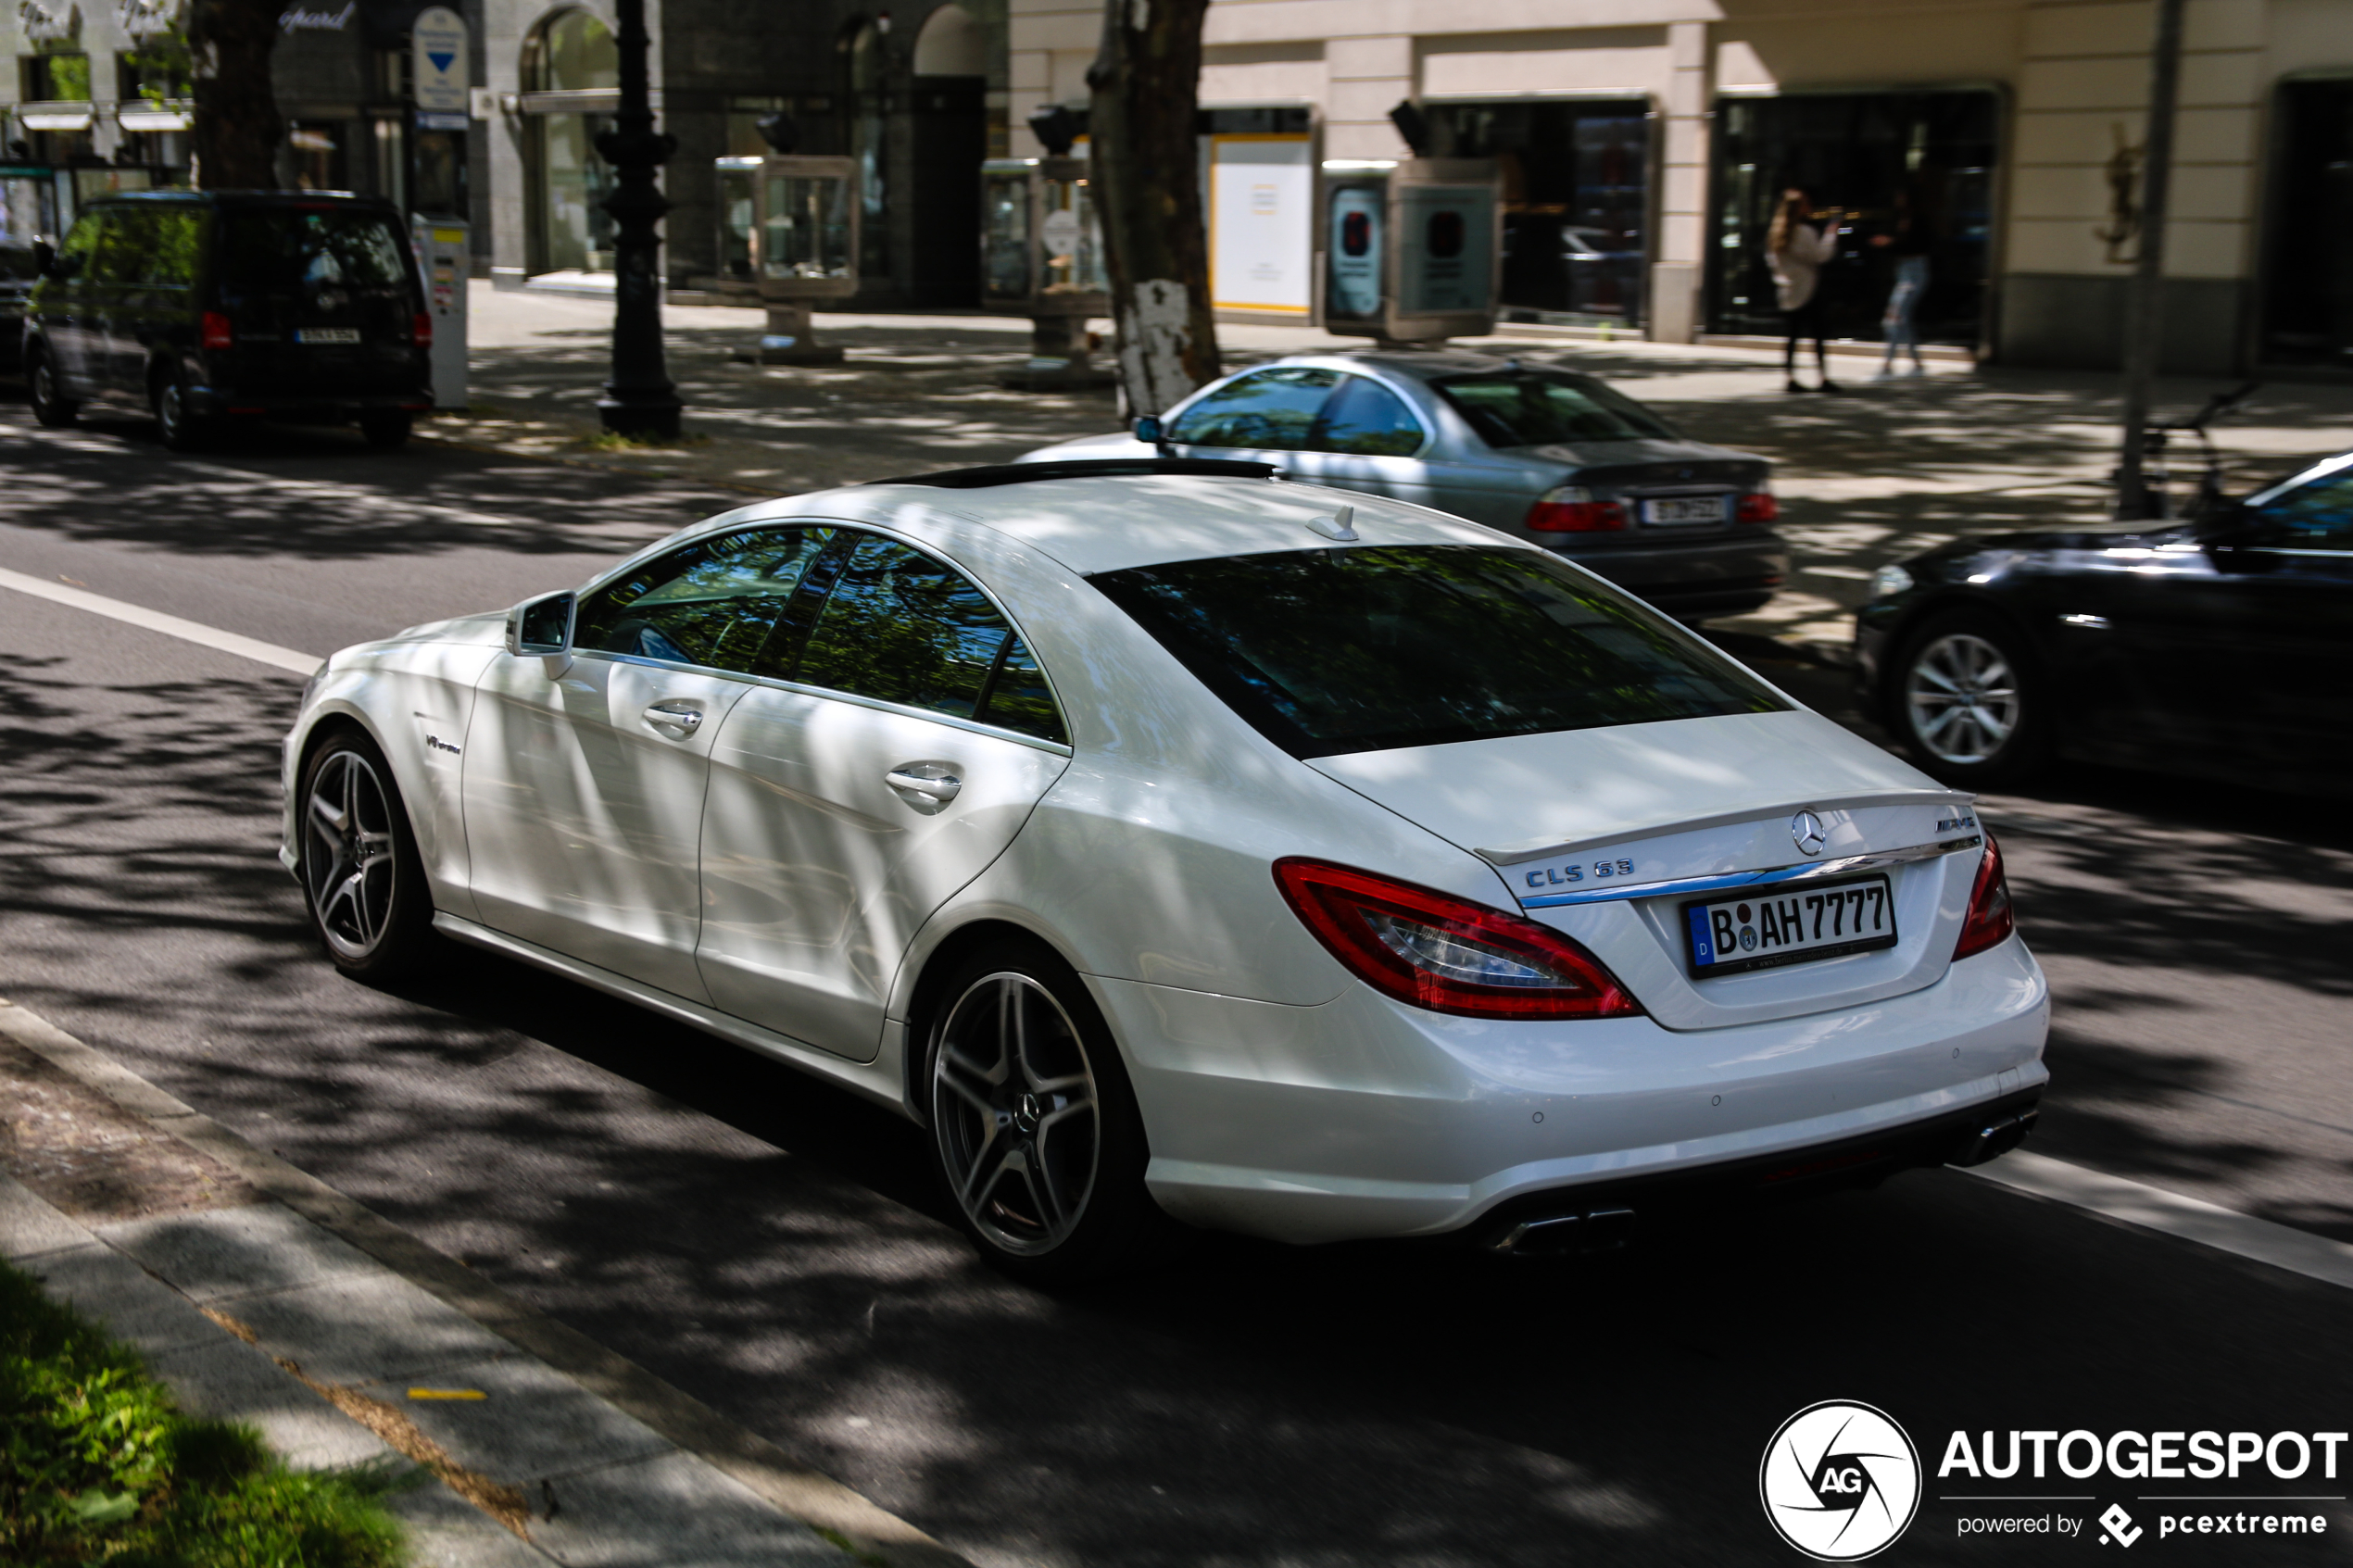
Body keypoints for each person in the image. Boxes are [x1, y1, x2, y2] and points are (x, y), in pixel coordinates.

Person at [1767, 188, 1843, 394]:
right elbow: (1820, 256)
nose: (1809, 207)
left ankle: (1789, 377)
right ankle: (1823, 377)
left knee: (1792, 336)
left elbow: (1774, 263)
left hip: (1787, 289)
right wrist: (1830, 234)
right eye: (1806, 204)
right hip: (1809, 289)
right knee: (1818, 334)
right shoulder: (1805, 232)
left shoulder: (1775, 234)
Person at [1871, 182, 1935, 379]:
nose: (1898, 201)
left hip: (1915, 271)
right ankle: (1916, 363)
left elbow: (1914, 245)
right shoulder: (1900, 219)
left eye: (1902, 197)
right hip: (1904, 271)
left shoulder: (1918, 221)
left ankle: (1887, 364)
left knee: (1895, 317)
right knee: (1900, 318)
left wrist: (1890, 242)